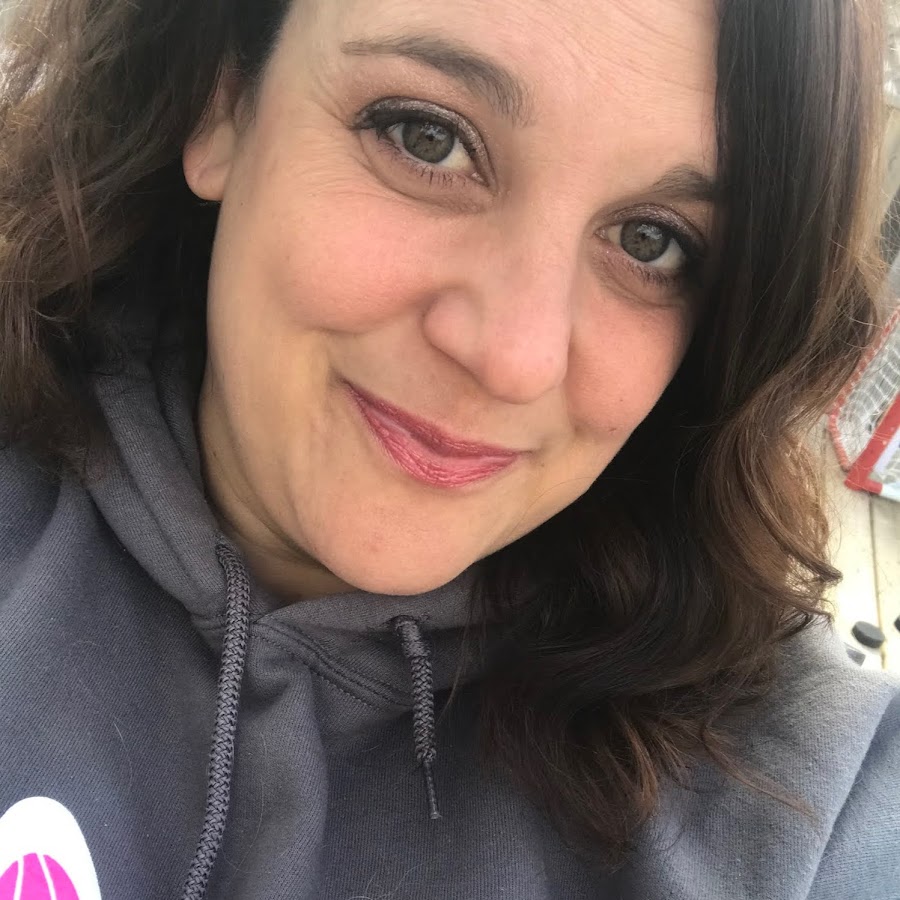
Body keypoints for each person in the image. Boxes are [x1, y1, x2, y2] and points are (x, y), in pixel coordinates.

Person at [0, 0, 897, 897]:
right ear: (223, 101)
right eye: (427, 139)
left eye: (650, 241)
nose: (514, 358)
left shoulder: (807, 809)